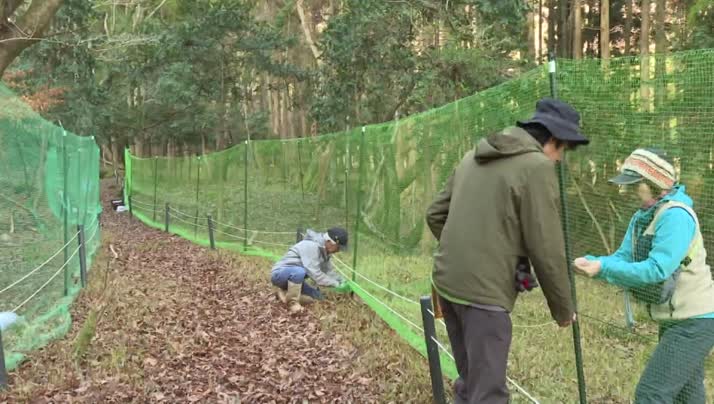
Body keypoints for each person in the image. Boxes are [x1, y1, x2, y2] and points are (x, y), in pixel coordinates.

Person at [426, 98, 589, 404]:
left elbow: (435, 214)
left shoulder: (473, 156)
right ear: (553, 139)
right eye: (563, 150)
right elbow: (546, 248)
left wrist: (468, 250)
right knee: (488, 394)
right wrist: (563, 309)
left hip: (447, 284)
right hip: (483, 298)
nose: (559, 160)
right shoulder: (536, 167)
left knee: (470, 383)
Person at [574, 148, 714, 404]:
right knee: (687, 396)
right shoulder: (643, 216)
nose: (628, 190)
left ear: (655, 184)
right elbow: (623, 257)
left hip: (694, 322)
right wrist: (595, 262)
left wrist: (603, 268)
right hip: (675, 319)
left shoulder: (676, 217)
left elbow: (656, 269)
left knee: (651, 394)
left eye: (635, 184)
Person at [271, 227, 349, 313]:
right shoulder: (311, 246)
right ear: (329, 241)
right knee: (300, 271)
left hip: (296, 279)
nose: (338, 250)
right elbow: (315, 274)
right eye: (338, 247)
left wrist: (341, 280)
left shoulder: (325, 252)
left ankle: (283, 294)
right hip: (279, 274)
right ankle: (292, 303)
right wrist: (336, 284)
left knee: (318, 297)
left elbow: (327, 271)